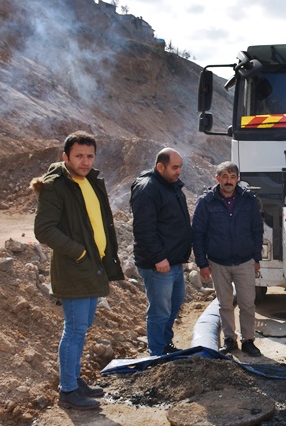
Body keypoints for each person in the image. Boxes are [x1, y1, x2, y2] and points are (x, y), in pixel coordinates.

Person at [32, 131, 124, 411]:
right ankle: (68, 391)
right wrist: (80, 252)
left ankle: (73, 380)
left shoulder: (89, 181)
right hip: (75, 268)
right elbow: (43, 229)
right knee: (73, 330)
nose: (85, 161)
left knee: (82, 329)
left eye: (89, 156)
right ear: (65, 157)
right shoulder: (57, 185)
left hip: (91, 267)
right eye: (78, 156)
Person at [192, 162, 264, 357]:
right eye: (224, 176)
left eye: (232, 177)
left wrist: (256, 258)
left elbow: (257, 230)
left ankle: (248, 340)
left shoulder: (248, 200)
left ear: (238, 178)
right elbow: (198, 234)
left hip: (244, 262)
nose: (229, 181)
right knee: (224, 304)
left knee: (247, 303)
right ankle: (230, 339)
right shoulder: (206, 202)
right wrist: (202, 263)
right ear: (217, 178)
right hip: (218, 262)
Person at [130, 148, 192, 356]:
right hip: (159, 264)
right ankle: (157, 352)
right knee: (159, 310)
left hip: (173, 261)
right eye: (175, 167)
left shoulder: (170, 186)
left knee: (174, 303)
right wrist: (158, 257)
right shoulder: (148, 189)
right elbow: (143, 229)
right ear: (160, 167)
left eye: (180, 167)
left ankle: (165, 343)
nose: (179, 172)